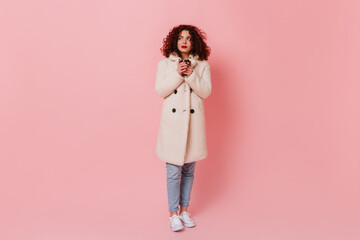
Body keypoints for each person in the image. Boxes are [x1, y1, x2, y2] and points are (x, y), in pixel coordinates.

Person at [154, 24, 212, 232]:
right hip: (173, 126)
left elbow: (205, 92)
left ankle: (184, 210)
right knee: (173, 172)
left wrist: (190, 75)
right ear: (174, 41)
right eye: (180, 37)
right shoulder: (165, 64)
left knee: (188, 171)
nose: (184, 41)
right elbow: (161, 90)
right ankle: (173, 214)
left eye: (188, 38)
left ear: (194, 42)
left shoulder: (202, 65)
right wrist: (179, 74)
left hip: (193, 125)